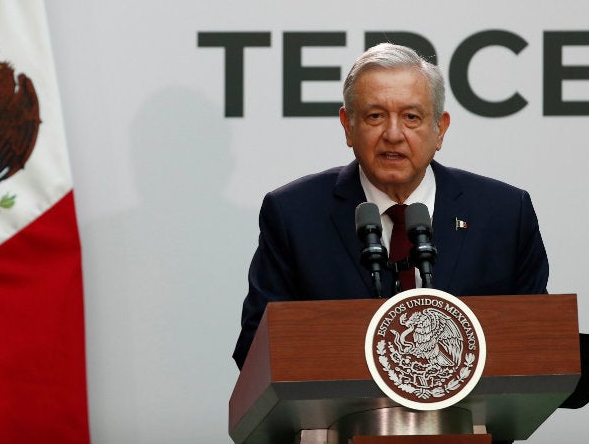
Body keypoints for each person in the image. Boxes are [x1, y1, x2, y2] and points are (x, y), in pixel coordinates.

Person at [233, 43, 549, 369]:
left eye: (411, 117)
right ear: (348, 125)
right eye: (375, 116)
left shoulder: (504, 213)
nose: (393, 134)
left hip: (472, 420)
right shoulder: (294, 215)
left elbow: (537, 341)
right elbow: (256, 349)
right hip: (338, 420)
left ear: (440, 129)